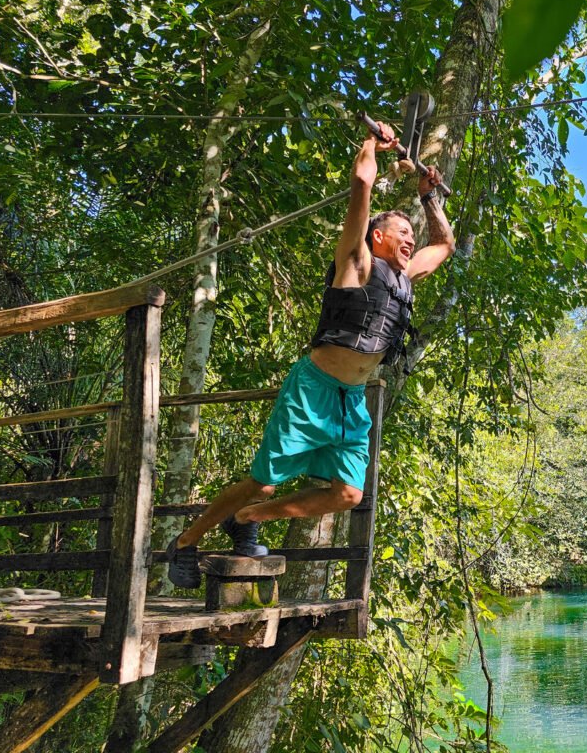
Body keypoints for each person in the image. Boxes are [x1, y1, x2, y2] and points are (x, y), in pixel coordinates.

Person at [166, 121, 455, 588]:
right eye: (400, 232)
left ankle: (248, 518)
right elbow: (362, 181)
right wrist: (373, 143)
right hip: (313, 389)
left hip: (351, 401)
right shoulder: (356, 262)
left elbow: (444, 244)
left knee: (347, 493)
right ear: (377, 237)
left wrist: (429, 197)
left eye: (410, 234)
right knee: (264, 477)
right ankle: (184, 542)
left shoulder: (406, 277)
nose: (409, 240)